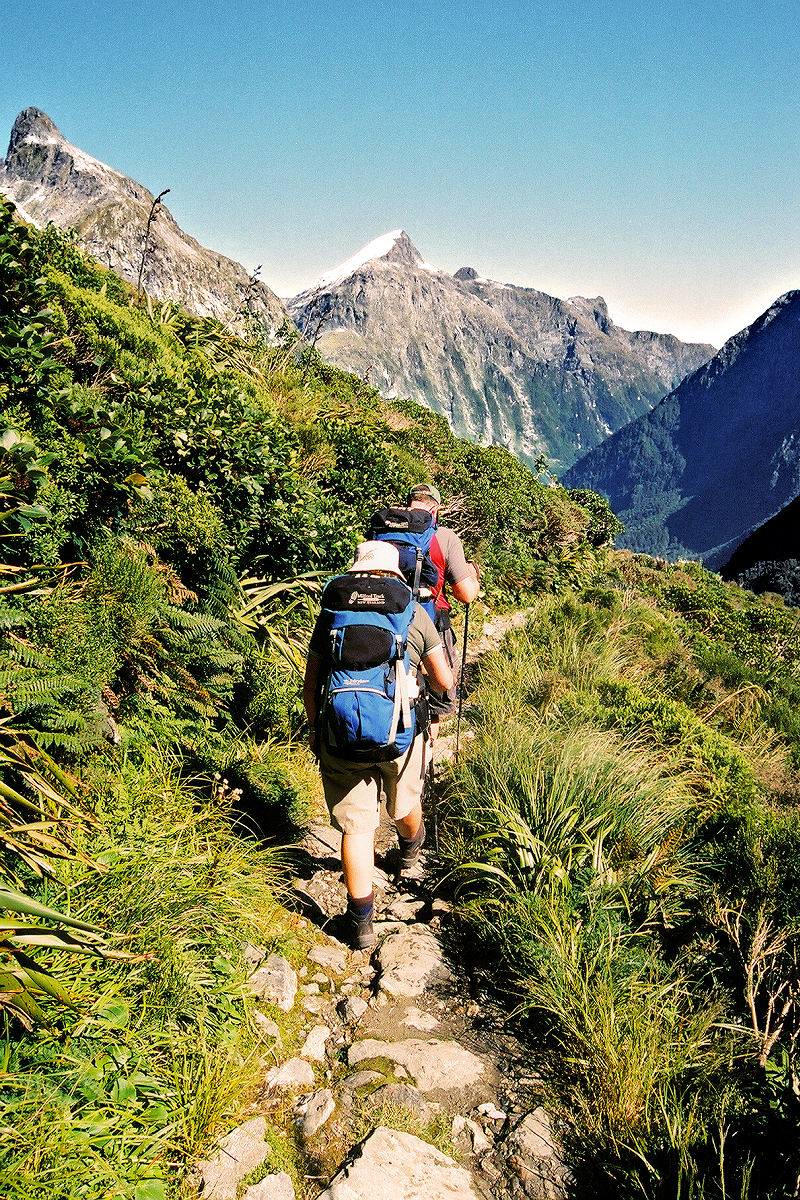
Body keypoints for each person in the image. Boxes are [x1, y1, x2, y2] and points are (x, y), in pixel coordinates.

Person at [303, 541, 454, 950]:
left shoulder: (332, 613)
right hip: (398, 732)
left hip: (339, 732)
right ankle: (409, 853)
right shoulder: (412, 611)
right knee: (403, 803)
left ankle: (361, 923)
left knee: (357, 827)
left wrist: (316, 727)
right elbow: (444, 681)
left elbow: (311, 682)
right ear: (395, 573)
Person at [405, 483, 480, 740]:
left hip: (388, 619)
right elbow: (465, 594)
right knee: (436, 696)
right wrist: (472, 574)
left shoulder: (385, 533)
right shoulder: (445, 537)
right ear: (435, 508)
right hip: (432, 621)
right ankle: (425, 765)